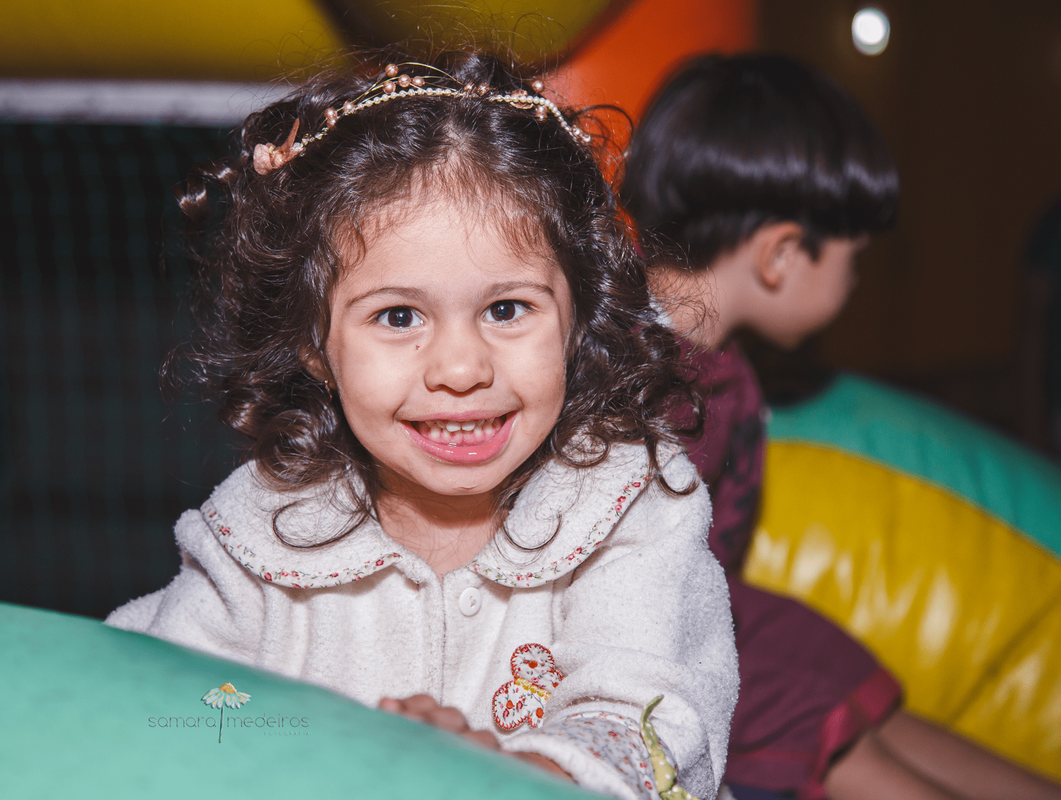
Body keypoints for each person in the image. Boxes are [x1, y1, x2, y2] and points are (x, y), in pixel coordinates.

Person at [107, 51, 738, 800]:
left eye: (507, 309)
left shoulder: (627, 505)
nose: (462, 369)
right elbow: (151, 704)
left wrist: (507, 777)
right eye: (398, 316)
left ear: (576, 320)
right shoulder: (261, 533)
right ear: (315, 342)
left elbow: (647, 720)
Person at [622, 53, 1061, 800]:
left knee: (840, 680)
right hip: (655, 653)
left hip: (713, 615)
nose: (855, 284)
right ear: (782, 255)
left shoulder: (701, 360)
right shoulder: (657, 384)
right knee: (824, 717)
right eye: (851, 261)